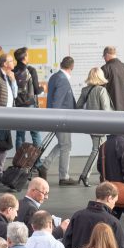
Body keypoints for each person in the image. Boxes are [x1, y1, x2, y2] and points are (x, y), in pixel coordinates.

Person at [67, 182, 124, 248]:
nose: (114, 205)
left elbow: (67, 244)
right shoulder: (113, 222)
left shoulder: (77, 215)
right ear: (109, 198)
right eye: (115, 201)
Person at [75, 67, 114, 187]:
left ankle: (99, 175)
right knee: (96, 150)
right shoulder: (101, 90)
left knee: (98, 150)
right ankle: (85, 174)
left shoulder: (85, 90)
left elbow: (78, 106)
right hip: (101, 126)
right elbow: (106, 111)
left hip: (90, 125)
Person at [11, 47, 46, 178]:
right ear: (25, 57)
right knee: (35, 134)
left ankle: (20, 163)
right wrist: (42, 88)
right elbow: (36, 90)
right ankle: (37, 163)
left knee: (20, 135)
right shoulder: (31, 70)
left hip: (18, 106)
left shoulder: (13, 71)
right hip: (30, 105)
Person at [46, 56, 78, 185]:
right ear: (72, 67)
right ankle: (63, 177)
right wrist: (57, 120)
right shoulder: (63, 80)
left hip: (57, 117)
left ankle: (45, 165)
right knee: (66, 146)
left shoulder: (54, 77)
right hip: (62, 119)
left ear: (61, 64)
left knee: (63, 144)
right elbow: (57, 102)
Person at [100, 46, 124, 111]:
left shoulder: (105, 68)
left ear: (107, 55)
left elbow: (101, 89)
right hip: (123, 105)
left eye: (104, 57)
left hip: (109, 106)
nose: (104, 59)